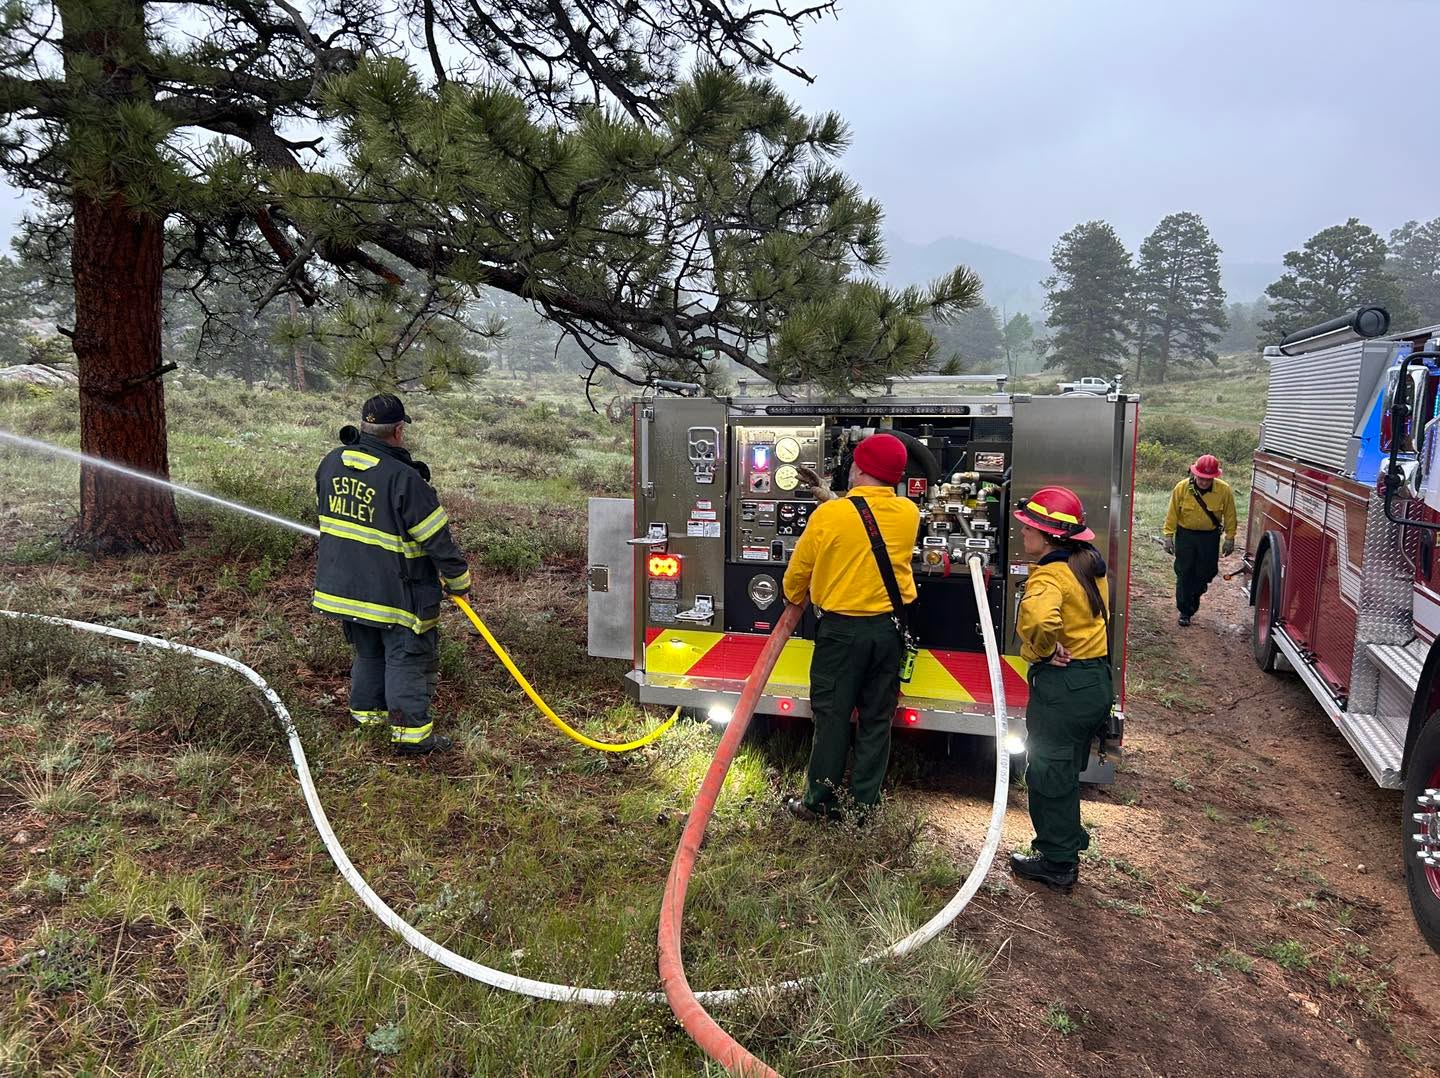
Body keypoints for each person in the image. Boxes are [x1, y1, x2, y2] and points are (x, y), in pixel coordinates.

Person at [312, 393, 472, 756]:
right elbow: (437, 540)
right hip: (396, 593)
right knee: (407, 657)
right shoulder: (404, 479)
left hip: (346, 588)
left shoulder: (332, 462)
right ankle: (411, 736)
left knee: (369, 652)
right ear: (399, 431)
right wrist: (459, 581)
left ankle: (367, 720)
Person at [781, 432, 920, 822]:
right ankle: (864, 808)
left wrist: (791, 596)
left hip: (840, 634)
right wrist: (834, 498)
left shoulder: (829, 516)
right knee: (876, 719)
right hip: (889, 632)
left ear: (857, 469)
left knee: (832, 717)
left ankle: (819, 803)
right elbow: (867, 517)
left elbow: (798, 574)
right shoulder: (909, 513)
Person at [1009, 486, 1112, 890]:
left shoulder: (1050, 575)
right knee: (1064, 773)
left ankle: (1057, 862)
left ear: (1049, 535)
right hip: (1094, 681)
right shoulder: (1086, 564)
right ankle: (1065, 845)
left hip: (1065, 688)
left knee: (1048, 774)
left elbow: (1039, 621)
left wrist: (1042, 650)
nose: (1023, 533)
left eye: (1028, 527)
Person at [1162, 454, 1237, 627]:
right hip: (1185, 535)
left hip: (1209, 537)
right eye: (1201, 478)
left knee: (1207, 572)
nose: (1203, 482)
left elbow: (1230, 515)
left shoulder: (1224, 490)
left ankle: (1196, 592)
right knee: (1184, 572)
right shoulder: (1182, 488)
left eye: (1208, 479)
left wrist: (1230, 538)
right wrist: (1168, 536)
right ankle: (1185, 610)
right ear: (1194, 473)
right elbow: (1172, 513)